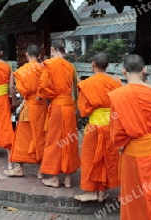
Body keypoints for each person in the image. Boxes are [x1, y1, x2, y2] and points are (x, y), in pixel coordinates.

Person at [108, 54, 151, 219]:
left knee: (133, 199)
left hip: (131, 153)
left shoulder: (118, 95)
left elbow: (116, 132)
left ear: (123, 71)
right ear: (144, 70)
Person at [74, 52, 121, 202]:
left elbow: (83, 110)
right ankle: (102, 192)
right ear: (108, 65)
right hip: (112, 126)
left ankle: (91, 192)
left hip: (94, 126)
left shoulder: (87, 84)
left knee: (90, 157)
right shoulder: (117, 81)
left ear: (93, 65)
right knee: (108, 157)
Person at [37, 39, 80, 188]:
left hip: (57, 106)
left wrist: (41, 96)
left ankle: (54, 178)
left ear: (53, 49)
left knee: (54, 141)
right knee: (69, 141)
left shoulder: (49, 64)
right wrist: (77, 107)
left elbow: (43, 86)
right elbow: (76, 87)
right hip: (69, 106)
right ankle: (68, 179)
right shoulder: (71, 66)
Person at [7, 44, 48, 178]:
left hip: (29, 106)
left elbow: (22, 91)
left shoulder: (22, 71)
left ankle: (19, 168)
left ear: (26, 55)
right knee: (40, 136)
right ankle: (40, 170)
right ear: (40, 55)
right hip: (42, 107)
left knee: (23, 137)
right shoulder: (44, 68)